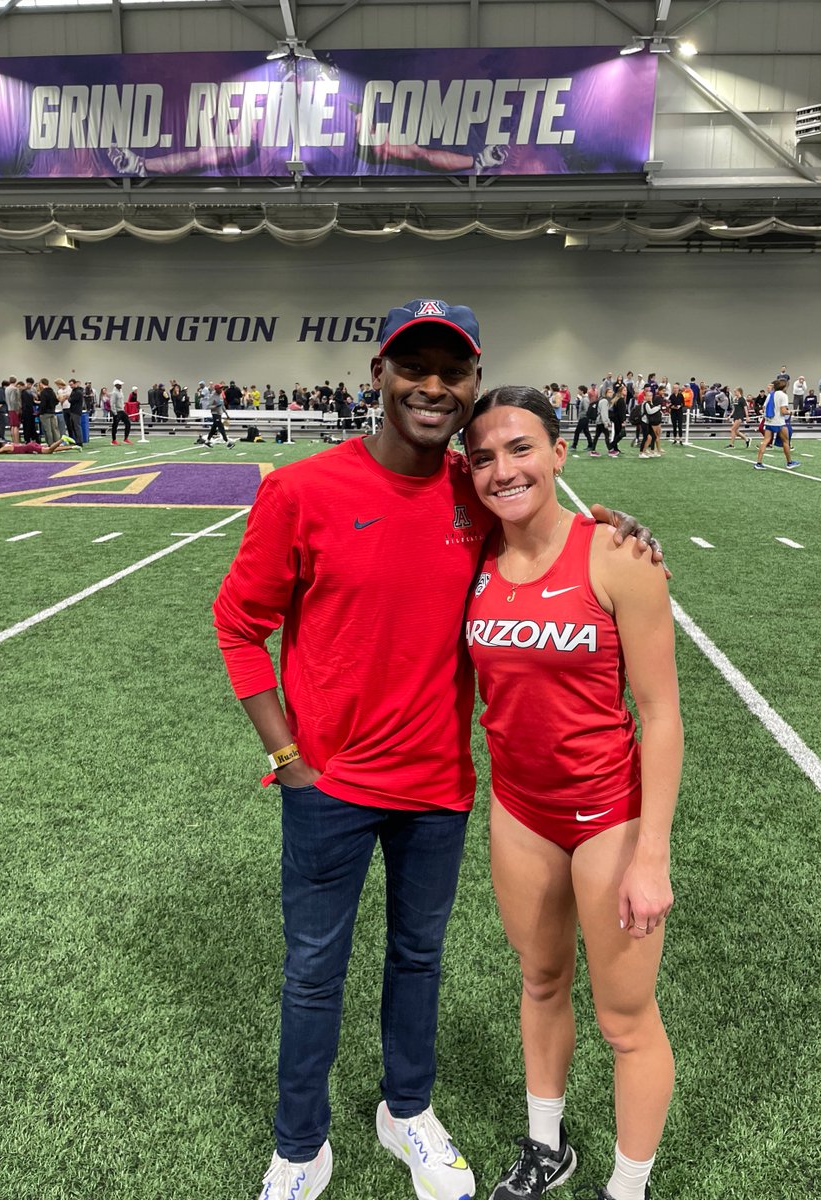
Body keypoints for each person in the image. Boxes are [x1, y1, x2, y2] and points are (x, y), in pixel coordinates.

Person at [212, 299, 666, 1200]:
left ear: (472, 383)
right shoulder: (301, 490)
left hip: (440, 790)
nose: (432, 386)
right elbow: (236, 625)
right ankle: (299, 1149)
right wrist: (288, 760)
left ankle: (407, 1112)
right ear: (377, 375)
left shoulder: (478, 491)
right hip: (330, 787)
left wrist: (618, 529)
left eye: (451, 371)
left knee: (419, 961)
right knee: (313, 973)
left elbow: (547, 529)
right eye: (412, 367)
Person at [463, 386, 681, 1200]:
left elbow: (661, 716)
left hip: (607, 817)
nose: (503, 470)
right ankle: (546, 1146)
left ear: (559, 452)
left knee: (625, 1021)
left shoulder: (619, 557)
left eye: (521, 448)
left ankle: (627, 1186)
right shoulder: (471, 557)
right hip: (519, 812)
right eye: (483, 457)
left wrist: (651, 854)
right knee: (541, 982)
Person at [754, 380, 799, 469]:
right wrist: (791, 412)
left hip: (769, 421)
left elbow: (764, 407)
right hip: (779, 422)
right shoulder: (783, 395)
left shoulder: (770, 395)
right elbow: (783, 411)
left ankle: (758, 463)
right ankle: (789, 462)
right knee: (786, 442)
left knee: (765, 441)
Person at [0, 438, 71, 455]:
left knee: (48, 451)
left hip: (29, 448)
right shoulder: (10, 444)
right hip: (30, 445)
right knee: (52, 450)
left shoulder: (6, 447)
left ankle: (61, 440)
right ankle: (72, 447)